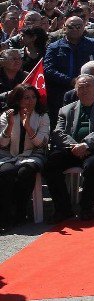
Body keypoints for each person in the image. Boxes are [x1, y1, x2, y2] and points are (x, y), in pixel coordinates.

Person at [44, 74, 94, 222]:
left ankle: (86, 208)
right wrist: (75, 146)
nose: (84, 89)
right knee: (50, 164)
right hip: (71, 149)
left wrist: (85, 144)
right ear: (75, 90)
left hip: (93, 150)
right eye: (81, 87)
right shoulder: (65, 110)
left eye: (88, 86)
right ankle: (63, 208)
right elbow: (58, 132)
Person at [0, 84, 50, 231]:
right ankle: (6, 215)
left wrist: (28, 126)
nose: (30, 101)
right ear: (17, 99)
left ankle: (21, 211)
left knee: (25, 172)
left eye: (33, 97)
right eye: (26, 98)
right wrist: (9, 126)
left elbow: (40, 143)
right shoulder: (7, 115)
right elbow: (2, 144)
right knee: (4, 174)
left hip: (33, 154)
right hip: (9, 154)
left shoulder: (42, 115)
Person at [42, 16, 94, 121]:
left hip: (88, 90)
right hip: (60, 92)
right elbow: (48, 70)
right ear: (64, 28)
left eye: (78, 26)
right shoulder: (54, 47)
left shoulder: (93, 44)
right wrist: (71, 81)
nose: (75, 29)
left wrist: (86, 81)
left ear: (84, 27)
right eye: (71, 27)